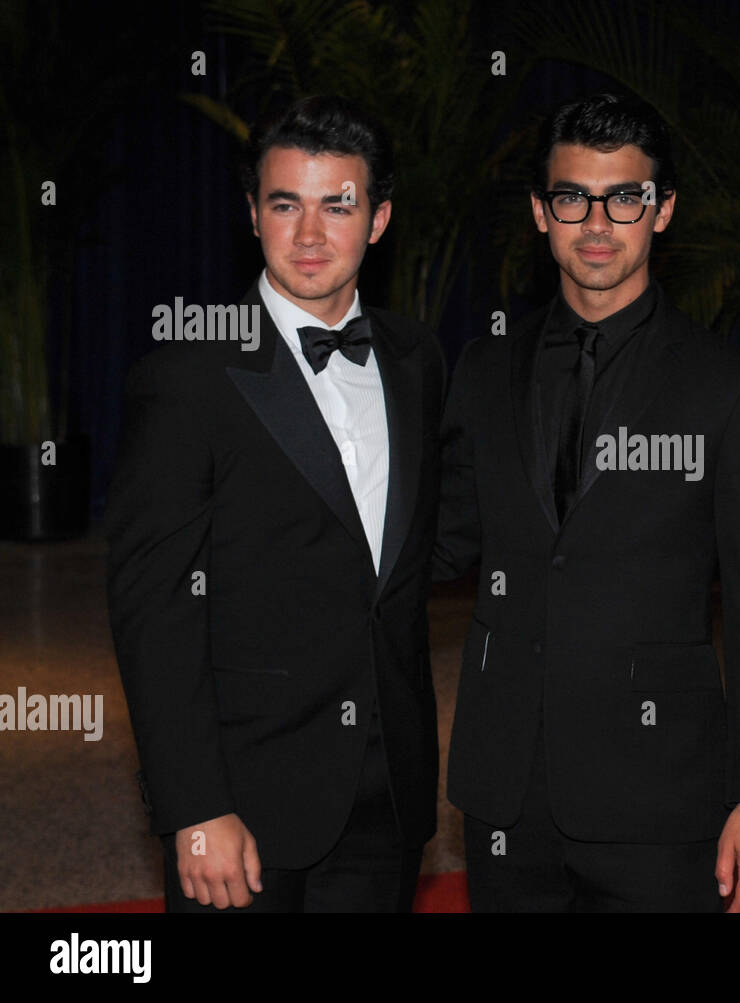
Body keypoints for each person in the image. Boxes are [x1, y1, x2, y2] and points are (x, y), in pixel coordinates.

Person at [434, 92, 740, 912]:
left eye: (624, 197)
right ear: (541, 210)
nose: (597, 222)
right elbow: (440, 543)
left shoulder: (734, 389)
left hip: (661, 795)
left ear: (661, 208)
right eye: (572, 197)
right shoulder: (483, 369)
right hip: (507, 789)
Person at [106, 95, 445, 912]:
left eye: (339, 205)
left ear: (380, 217)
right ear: (253, 215)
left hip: (387, 788)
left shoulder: (415, 360)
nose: (310, 234)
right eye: (285, 204)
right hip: (244, 796)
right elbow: (154, 608)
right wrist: (193, 808)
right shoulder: (189, 370)